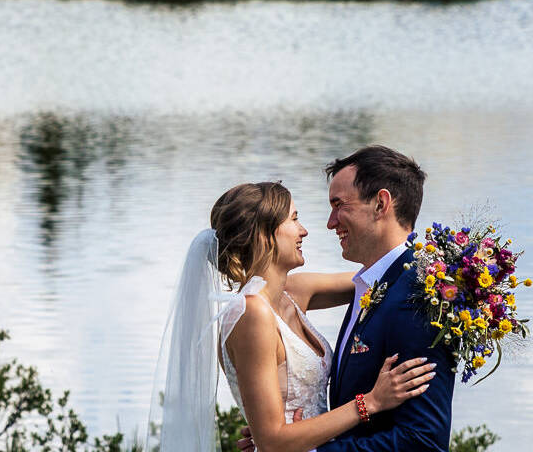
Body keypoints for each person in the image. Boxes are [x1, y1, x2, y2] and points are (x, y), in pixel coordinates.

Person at [154, 180, 435, 452]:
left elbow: (384, 276)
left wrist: (456, 272)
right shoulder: (250, 314)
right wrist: (371, 402)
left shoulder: (295, 292)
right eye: (294, 219)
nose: (304, 231)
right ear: (264, 235)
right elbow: (273, 442)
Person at [315, 146, 455, 452]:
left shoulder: (417, 298)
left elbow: (424, 441)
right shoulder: (374, 283)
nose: (330, 222)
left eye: (339, 205)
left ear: (381, 203)